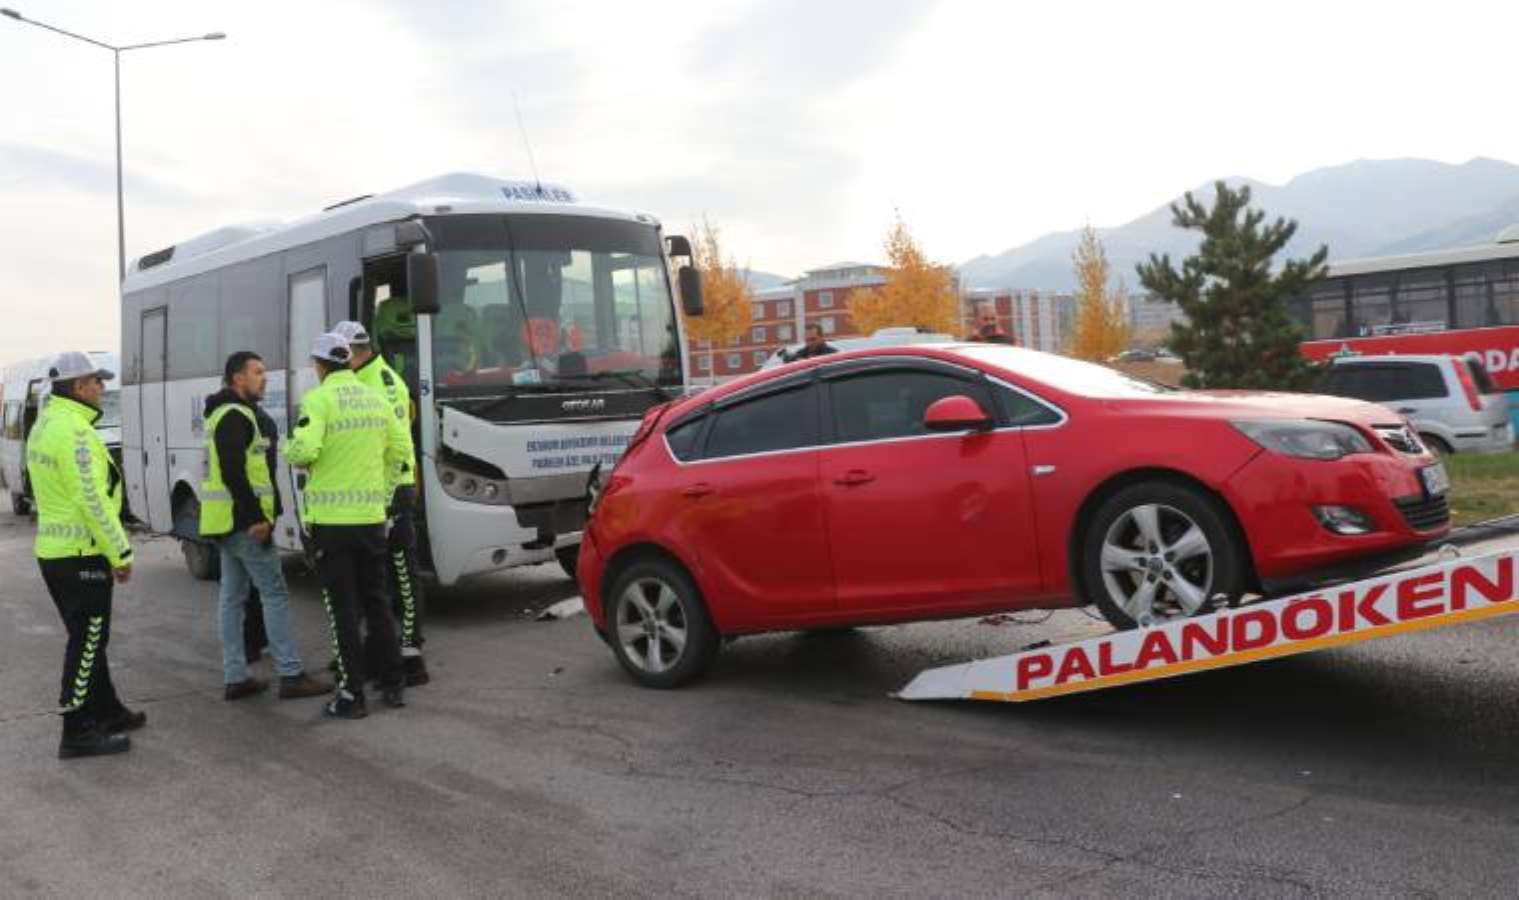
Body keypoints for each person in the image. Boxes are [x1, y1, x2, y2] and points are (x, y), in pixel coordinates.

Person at [285, 333, 412, 719]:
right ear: (348, 362)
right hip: (372, 521)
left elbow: (304, 451)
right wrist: (384, 495)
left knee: (343, 609)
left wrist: (292, 450)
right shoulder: (375, 398)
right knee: (377, 604)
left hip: (332, 526)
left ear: (320, 366)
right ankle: (393, 685)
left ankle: (351, 695)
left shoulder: (318, 400)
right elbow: (402, 452)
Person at [200, 351, 331, 702]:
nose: (265, 377)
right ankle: (290, 673)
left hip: (227, 524)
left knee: (232, 597)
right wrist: (257, 517)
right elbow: (233, 473)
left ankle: (236, 676)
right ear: (237, 378)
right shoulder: (233, 416)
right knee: (273, 594)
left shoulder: (228, 413)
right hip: (244, 525)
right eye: (257, 372)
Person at [29, 352, 140, 758]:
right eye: (97, 381)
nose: (102, 388)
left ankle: (106, 710)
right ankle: (76, 730)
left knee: (92, 637)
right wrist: (120, 551)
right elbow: (91, 499)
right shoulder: (75, 431)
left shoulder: (46, 423)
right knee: (87, 640)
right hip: (80, 553)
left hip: (56, 552)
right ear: (78, 387)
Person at [332, 320, 429, 686]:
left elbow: (392, 445)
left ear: (353, 353)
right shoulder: (375, 378)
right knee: (387, 575)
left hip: (389, 489)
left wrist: (385, 496)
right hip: (385, 488)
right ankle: (388, 652)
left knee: (398, 573)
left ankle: (407, 653)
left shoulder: (377, 383)